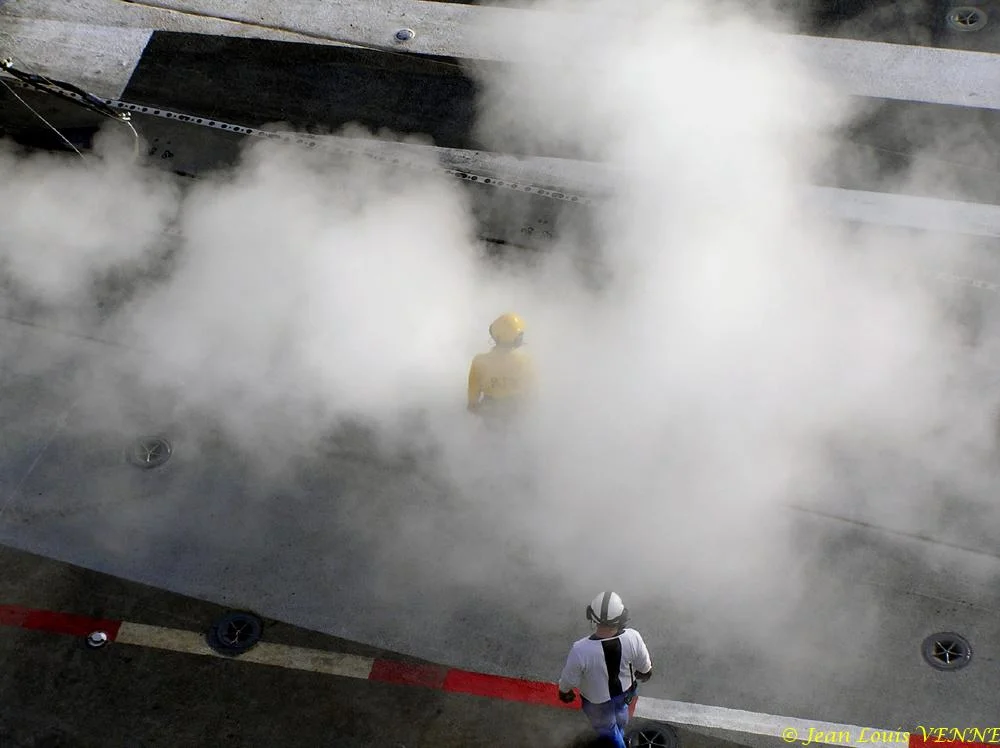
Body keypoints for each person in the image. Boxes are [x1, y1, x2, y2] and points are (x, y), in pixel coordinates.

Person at [557, 592, 653, 748]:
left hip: (596, 702)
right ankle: (621, 731)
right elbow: (645, 668)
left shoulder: (580, 649)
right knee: (621, 714)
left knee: (608, 730)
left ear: (591, 616)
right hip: (625, 692)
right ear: (622, 617)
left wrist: (564, 691)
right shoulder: (633, 637)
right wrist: (644, 672)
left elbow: (569, 680)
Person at [467, 312, 535, 416]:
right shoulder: (526, 361)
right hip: (517, 412)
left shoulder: (479, 361)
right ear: (517, 339)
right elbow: (532, 397)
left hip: (489, 411)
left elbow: (472, 403)